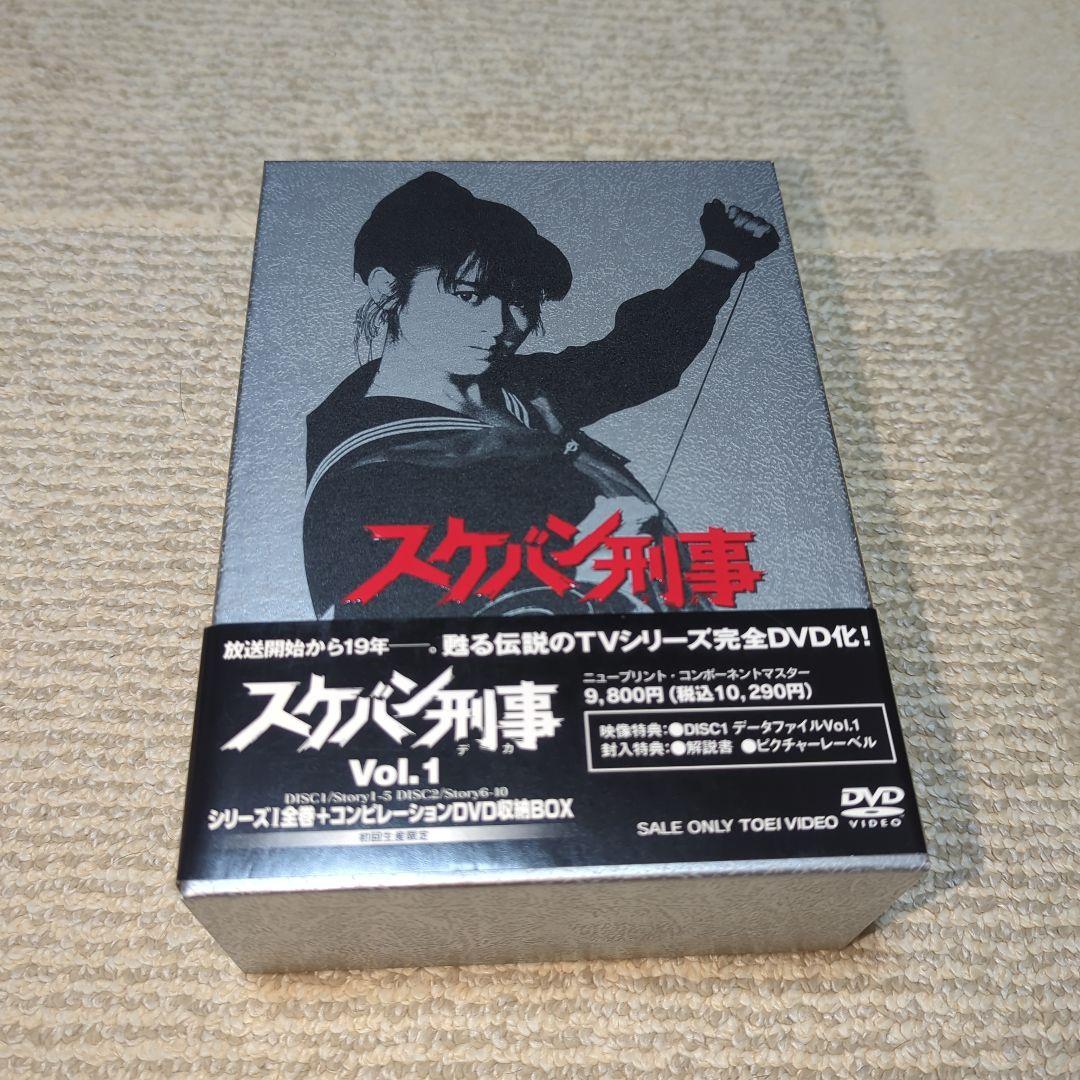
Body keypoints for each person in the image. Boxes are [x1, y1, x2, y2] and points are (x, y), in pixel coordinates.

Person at [303, 170, 778, 619]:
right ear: (389, 288)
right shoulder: (369, 478)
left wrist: (722, 257)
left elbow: (635, 360)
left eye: (519, 302)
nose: (499, 326)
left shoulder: (514, 389)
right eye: (469, 295)